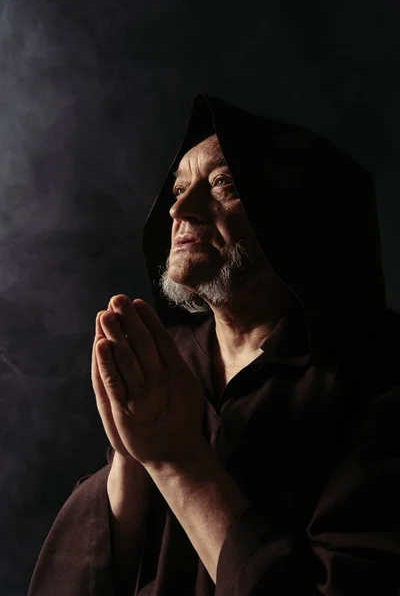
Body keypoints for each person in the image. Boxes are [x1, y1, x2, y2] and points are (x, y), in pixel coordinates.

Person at [28, 94, 400, 596]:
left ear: (297, 213)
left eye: (223, 182)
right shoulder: (169, 361)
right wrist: (130, 460)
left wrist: (178, 461)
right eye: (179, 188)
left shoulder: (379, 372)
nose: (179, 207)